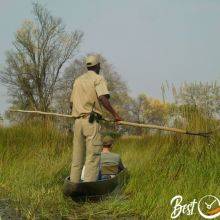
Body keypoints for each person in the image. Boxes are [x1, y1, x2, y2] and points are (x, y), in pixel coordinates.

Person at [70, 55, 122, 183]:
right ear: (98, 66)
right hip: (91, 121)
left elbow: (71, 103)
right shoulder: (98, 79)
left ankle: (74, 184)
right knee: (92, 156)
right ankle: (88, 186)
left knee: (77, 157)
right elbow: (103, 99)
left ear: (87, 66)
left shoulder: (78, 80)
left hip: (77, 122)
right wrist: (116, 115)